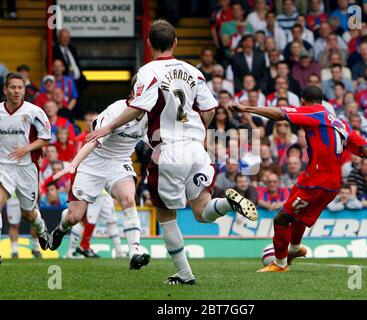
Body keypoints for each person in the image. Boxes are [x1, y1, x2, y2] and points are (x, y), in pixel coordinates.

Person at [86, 20, 258, 284]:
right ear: (176, 42)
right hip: (197, 149)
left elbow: (137, 108)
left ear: (149, 44)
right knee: (202, 212)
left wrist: (107, 126)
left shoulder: (148, 71)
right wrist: (198, 133)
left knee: (167, 217)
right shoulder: (194, 71)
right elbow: (210, 110)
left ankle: (185, 274)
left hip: (168, 152)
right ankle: (227, 203)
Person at [228, 85, 367, 272]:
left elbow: (280, 113)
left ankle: (280, 264)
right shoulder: (340, 122)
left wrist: (246, 108)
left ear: (303, 101)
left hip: (318, 182)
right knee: (298, 215)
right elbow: (365, 148)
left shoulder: (313, 113)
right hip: (323, 181)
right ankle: (295, 248)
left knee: (281, 219)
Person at [48, 76, 149, 270]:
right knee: (74, 217)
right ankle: (61, 228)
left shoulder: (150, 115)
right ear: (133, 91)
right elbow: (92, 141)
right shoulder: (115, 111)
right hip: (92, 164)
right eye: (143, 90)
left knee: (128, 198)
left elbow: (158, 142)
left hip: (119, 163)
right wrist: (73, 165)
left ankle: (135, 250)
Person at [0, 72, 51, 264]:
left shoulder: (34, 111)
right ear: (5, 90)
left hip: (26, 167)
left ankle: (41, 227)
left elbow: (46, 137)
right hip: (3, 166)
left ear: (24, 90)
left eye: (20, 87)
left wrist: (26, 149)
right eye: (12, 87)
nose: (16, 91)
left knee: (28, 213)